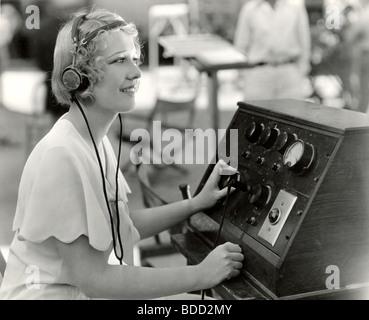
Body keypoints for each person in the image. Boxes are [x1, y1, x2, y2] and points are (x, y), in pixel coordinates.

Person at [0, 7, 244, 300]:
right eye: (120, 61)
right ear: (78, 77)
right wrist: (201, 274)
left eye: (135, 60)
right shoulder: (61, 155)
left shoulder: (95, 140)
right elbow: (96, 280)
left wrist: (195, 204)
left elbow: (122, 225)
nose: (137, 72)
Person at [233, 0, 311, 100]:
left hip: (289, 72)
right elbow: (241, 46)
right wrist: (245, 75)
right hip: (258, 74)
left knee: (292, 113)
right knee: (257, 113)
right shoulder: (250, 9)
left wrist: (301, 71)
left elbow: (305, 42)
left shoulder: (296, 7)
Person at [345, 0, 369, 113]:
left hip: (365, 53)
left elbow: (353, 33)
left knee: (362, 86)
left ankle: (361, 113)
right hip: (362, 52)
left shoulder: (364, 12)